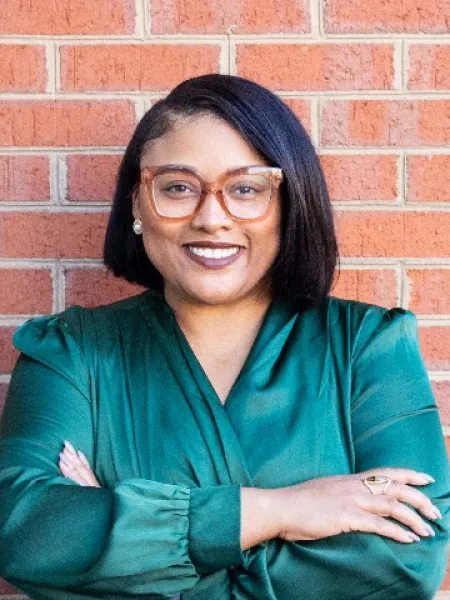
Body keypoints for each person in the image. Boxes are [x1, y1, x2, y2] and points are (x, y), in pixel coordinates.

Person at [0, 74, 449, 600]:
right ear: (137, 206)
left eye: (246, 189)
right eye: (177, 187)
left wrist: (130, 544)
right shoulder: (72, 352)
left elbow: (410, 559)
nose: (212, 218)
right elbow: (25, 534)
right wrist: (279, 510)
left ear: (289, 204)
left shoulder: (366, 346)